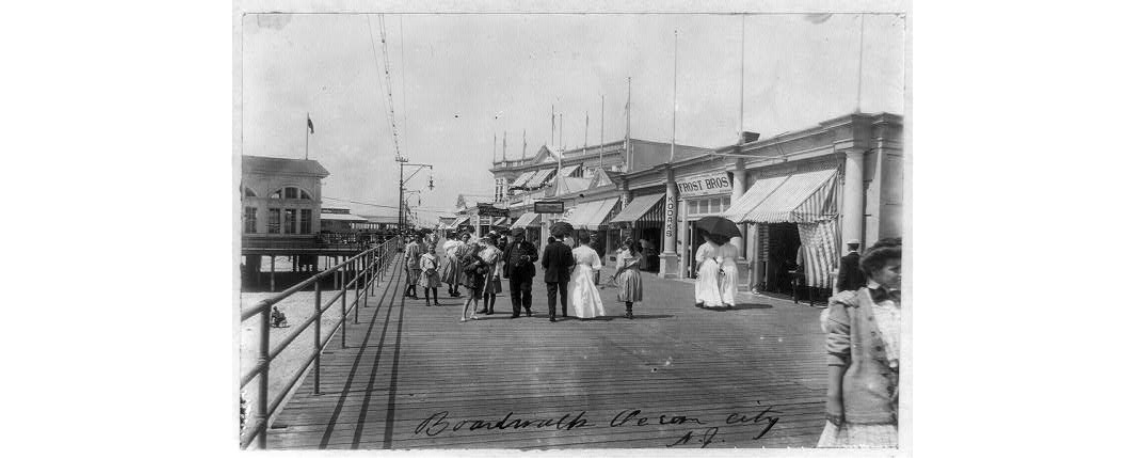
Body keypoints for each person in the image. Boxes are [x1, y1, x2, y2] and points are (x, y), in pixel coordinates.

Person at [817, 237, 902, 448]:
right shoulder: (851, 305)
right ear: (874, 270)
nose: (903, 274)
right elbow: (837, 354)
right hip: (866, 404)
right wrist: (833, 399)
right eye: (895, 269)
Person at [568, 233, 605, 319]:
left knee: (577, 290)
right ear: (588, 241)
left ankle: (577, 311)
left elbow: (571, 263)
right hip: (588, 270)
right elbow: (597, 265)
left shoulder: (575, 251)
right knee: (588, 290)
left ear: (580, 241)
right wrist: (595, 272)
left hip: (578, 269)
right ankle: (588, 312)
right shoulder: (592, 252)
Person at [503, 227, 539, 318]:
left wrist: (528, 257)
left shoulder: (529, 245)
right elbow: (504, 257)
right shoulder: (509, 246)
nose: (515, 238)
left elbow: (535, 257)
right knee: (514, 292)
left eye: (517, 236)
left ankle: (527, 307)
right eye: (514, 236)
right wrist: (511, 262)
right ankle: (516, 311)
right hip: (513, 272)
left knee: (526, 290)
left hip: (526, 272)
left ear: (523, 235)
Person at [541, 232, 575, 322]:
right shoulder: (567, 248)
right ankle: (564, 312)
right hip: (563, 274)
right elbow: (570, 263)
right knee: (564, 294)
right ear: (563, 237)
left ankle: (552, 314)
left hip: (551, 274)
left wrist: (548, 267)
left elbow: (544, 262)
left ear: (554, 237)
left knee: (551, 295)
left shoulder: (549, 247)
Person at [612, 238, 643, 319]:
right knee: (631, 293)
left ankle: (628, 311)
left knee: (627, 293)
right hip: (635, 274)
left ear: (626, 244)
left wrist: (614, 275)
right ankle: (630, 311)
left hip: (626, 274)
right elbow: (640, 265)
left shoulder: (624, 254)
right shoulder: (638, 254)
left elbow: (621, 266)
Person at [459, 240, 489, 322]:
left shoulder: (479, 258)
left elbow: (486, 266)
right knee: (469, 297)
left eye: (477, 251)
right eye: (474, 251)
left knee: (476, 298)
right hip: (469, 280)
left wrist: (483, 270)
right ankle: (463, 316)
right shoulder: (466, 257)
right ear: (470, 249)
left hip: (478, 280)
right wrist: (474, 265)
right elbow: (465, 269)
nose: (475, 252)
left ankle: (473, 314)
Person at [694, 234, 726, 308]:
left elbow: (699, 260)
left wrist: (696, 269)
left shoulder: (703, 246)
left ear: (706, 237)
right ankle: (713, 300)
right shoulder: (717, 247)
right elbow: (719, 259)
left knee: (701, 282)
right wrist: (719, 267)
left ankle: (701, 300)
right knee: (712, 282)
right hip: (713, 265)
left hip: (705, 265)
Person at [478, 237, 504, 315]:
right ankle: (485, 307)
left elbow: (498, 264)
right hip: (485, 271)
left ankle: (491, 308)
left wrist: (496, 274)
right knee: (485, 290)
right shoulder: (484, 250)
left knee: (492, 291)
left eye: (485, 242)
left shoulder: (496, 251)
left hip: (492, 271)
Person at [715, 237, 741, 308]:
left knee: (724, 283)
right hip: (733, 268)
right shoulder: (735, 248)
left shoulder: (722, 248)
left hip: (724, 268)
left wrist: (718, 269)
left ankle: (726, 301)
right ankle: (731, 301)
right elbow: (736, 259)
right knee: (732, 283)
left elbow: (719, 260)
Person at [403, 235, 424, 299]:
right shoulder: (410, 245)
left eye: (419, 237)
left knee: (415, 279)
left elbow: (421, 253)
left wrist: (421, 255)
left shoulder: (421, 245)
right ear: (415, 238)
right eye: (416, 237)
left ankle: (408, 291)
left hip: (418, 264)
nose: (418, 238)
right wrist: (405, 265)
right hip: (411, 263)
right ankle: (414, 294)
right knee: (413, 279)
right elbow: (406, 256)